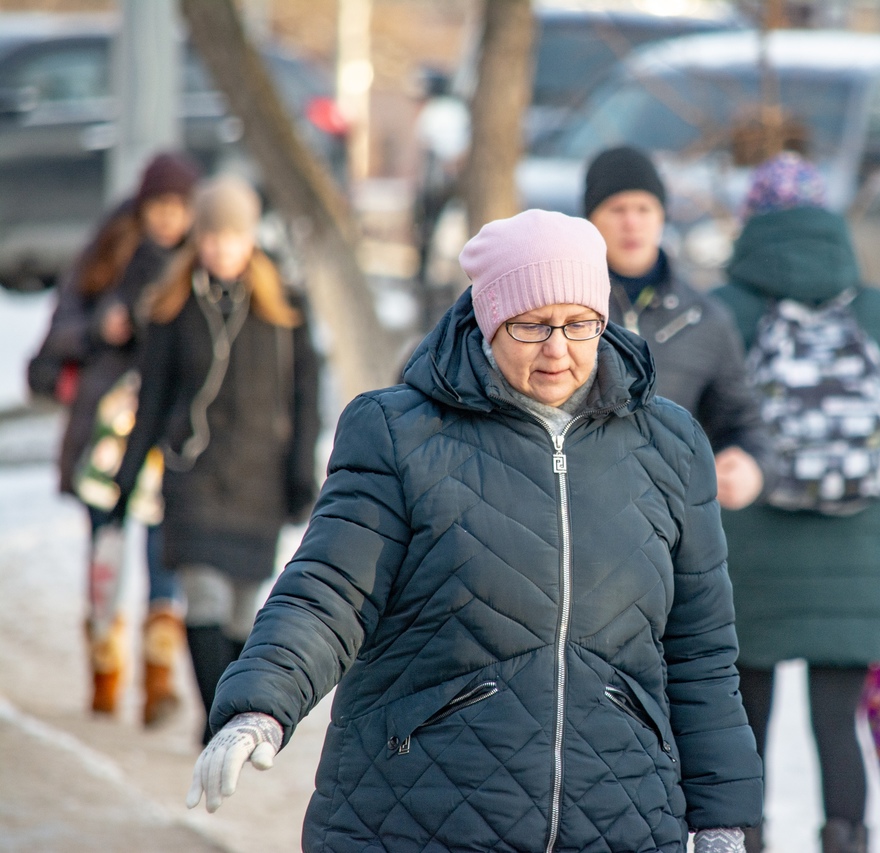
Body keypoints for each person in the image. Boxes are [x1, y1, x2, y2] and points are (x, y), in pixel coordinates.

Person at [184, 209, 764, 852]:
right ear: (490, 320)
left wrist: (721, 822)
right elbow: (329, 593)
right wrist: (259, 704)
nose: (558, 347)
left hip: (619, 817)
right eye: (532, 323)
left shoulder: (671, 443)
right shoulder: (399, 432)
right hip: (420, 812)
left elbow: (700, 652)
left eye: (580, 324)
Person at [713, 153, 880, 853]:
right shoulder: (878, 311)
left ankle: (746, 840)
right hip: (862, 554)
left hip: (746, 556)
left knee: (744, 725)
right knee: (837, 725)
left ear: (752, 220)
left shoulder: (725, 310)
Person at [112, 174, 320, 745]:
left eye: (233, 237)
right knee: (201, 595)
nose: (221, 249)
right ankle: (220, 721)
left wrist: (303, 473)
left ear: (251, 238)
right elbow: (151, 400)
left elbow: (306, 399)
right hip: (194, 473)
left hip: (259, 478)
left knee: (241, 613)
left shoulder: (285, 309)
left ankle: (232, 714)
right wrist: (126, 481)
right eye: (211, 237)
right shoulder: (174, 306)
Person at [36, 150, 201, 723]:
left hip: (161, 428)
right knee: (105, 547)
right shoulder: (110, 249)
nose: (168, 218)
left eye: (179, 207)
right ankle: (104, 676)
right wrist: (102, 324)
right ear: (142, 203)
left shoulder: (199, 262)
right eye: (160, 205)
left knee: (162, 550)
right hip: (104, 428)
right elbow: (60, 330)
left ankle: (157, 686)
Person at [583, 145, 769, 511]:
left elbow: (742, 420)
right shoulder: (563, 310)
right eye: (617, 209)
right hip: (579, 514)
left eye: (644, 209)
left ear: (662, 216)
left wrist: (752, 464)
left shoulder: (705, 317)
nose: (631, 223)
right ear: (590, 218)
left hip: (670, 520)